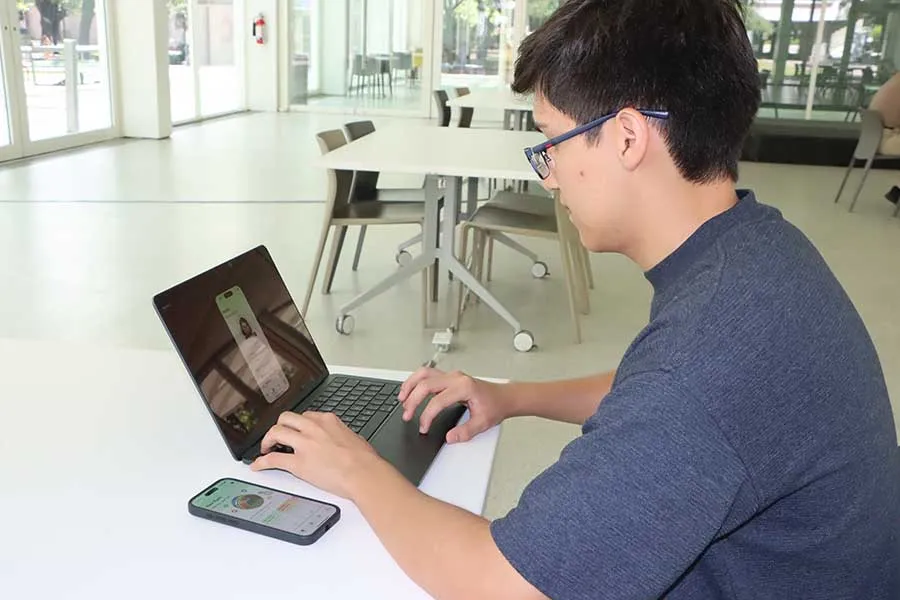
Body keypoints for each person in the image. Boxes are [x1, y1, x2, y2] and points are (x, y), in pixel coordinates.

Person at [251, 1, 900, 598]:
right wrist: (514, 396)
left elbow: (504, 584)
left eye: (550, 140)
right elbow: (660, 385)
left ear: (626, 138)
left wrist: (357, 470)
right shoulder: (756, 250)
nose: (548, 171)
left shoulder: (702, 366)